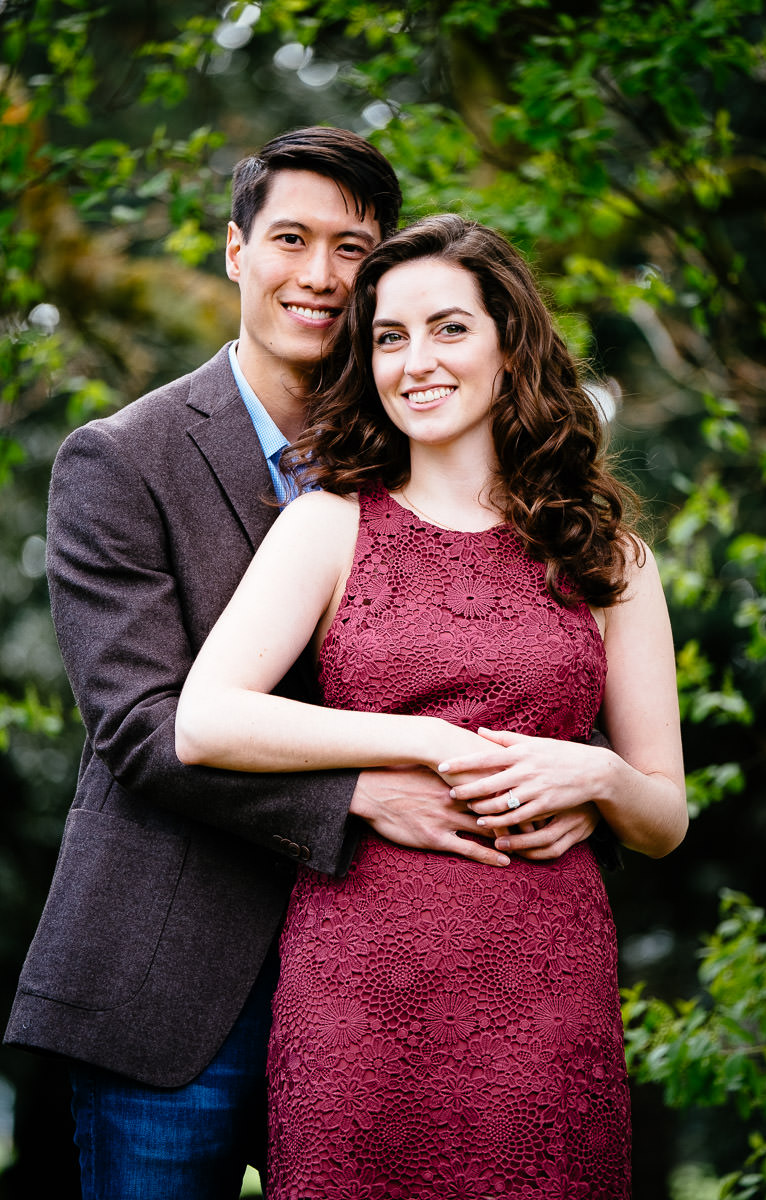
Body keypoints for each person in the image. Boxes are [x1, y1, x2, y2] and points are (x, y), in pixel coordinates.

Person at [2, 129, 553, 1200]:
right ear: (233, 252)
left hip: (393, 974)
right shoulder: (122, 460)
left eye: (352, 248)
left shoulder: (434, 452)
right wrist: (355, 794)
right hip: (175, 979)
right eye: (291, 238)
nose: (318, 276)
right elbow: (141, 728)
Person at [175, 213, 688, 1198]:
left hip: (546, 991)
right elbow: (206, 719)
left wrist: (599, 773)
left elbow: (661, 817)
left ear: (509, 345)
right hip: (359, 992)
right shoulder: (325, 526)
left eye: (448, 328)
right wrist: (420, 742)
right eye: (388, 336)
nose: (416, 360)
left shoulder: (609, 558)